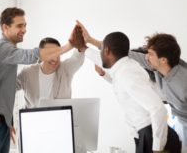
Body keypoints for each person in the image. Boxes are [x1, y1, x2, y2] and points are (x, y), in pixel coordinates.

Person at [0, 7, 85, 153]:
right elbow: (31, 56)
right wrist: (69, 45)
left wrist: (7, 119)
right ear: (5, 27)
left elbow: (7, 86)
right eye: (19, 25)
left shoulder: (4, 50)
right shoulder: (2, 49)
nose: (24, 29)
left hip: (2, 120)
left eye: (25, 25)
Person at [75, 23, 181, 152]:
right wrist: (84, 48)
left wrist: (157, 147)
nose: (101, 53)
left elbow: (158, 109)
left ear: (107, 51)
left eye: (102, 50)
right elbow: (124, 87)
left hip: (152, 136)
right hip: (146, 134)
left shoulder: (126, 72)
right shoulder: (126, 68)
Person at [127, 33, 187, 151]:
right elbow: (128, 54)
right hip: (181, 123)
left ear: (163, 60)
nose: (146, 57)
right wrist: (92, 42)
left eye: (150, 54)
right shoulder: (160, 68)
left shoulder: (182, 84)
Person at [17, 37, 85, 108]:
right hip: (32, 117)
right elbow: (10, 87)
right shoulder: (27, 72)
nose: (55, 59)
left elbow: (77, 58)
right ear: (41, 55)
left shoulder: (65, 68)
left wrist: (80, 42)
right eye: (51, 54)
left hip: (60, 117)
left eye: (57, 54)